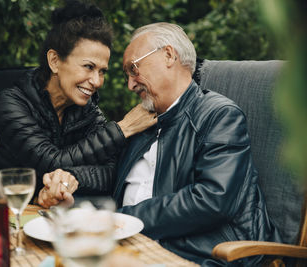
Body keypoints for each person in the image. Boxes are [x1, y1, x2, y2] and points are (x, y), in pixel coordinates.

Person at [110, 23, 281, 266]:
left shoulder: (220, 115)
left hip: (204, 253)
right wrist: (69, 185)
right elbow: (111, 175)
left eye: (134, 69)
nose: (130, 84)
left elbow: (212, 200)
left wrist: (122, 220)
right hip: (131, 246)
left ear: (169, 55)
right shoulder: (142, 121)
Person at [0, 0, 156, 207]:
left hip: (51, 215)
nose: (96, 81)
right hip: (3, 213)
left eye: (102, 71)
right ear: (55, 61)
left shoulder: (88, 111)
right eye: (88, 66)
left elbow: (113, 172)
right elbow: (51, 162)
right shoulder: (10, 104)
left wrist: (70, 179)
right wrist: (124, 128)